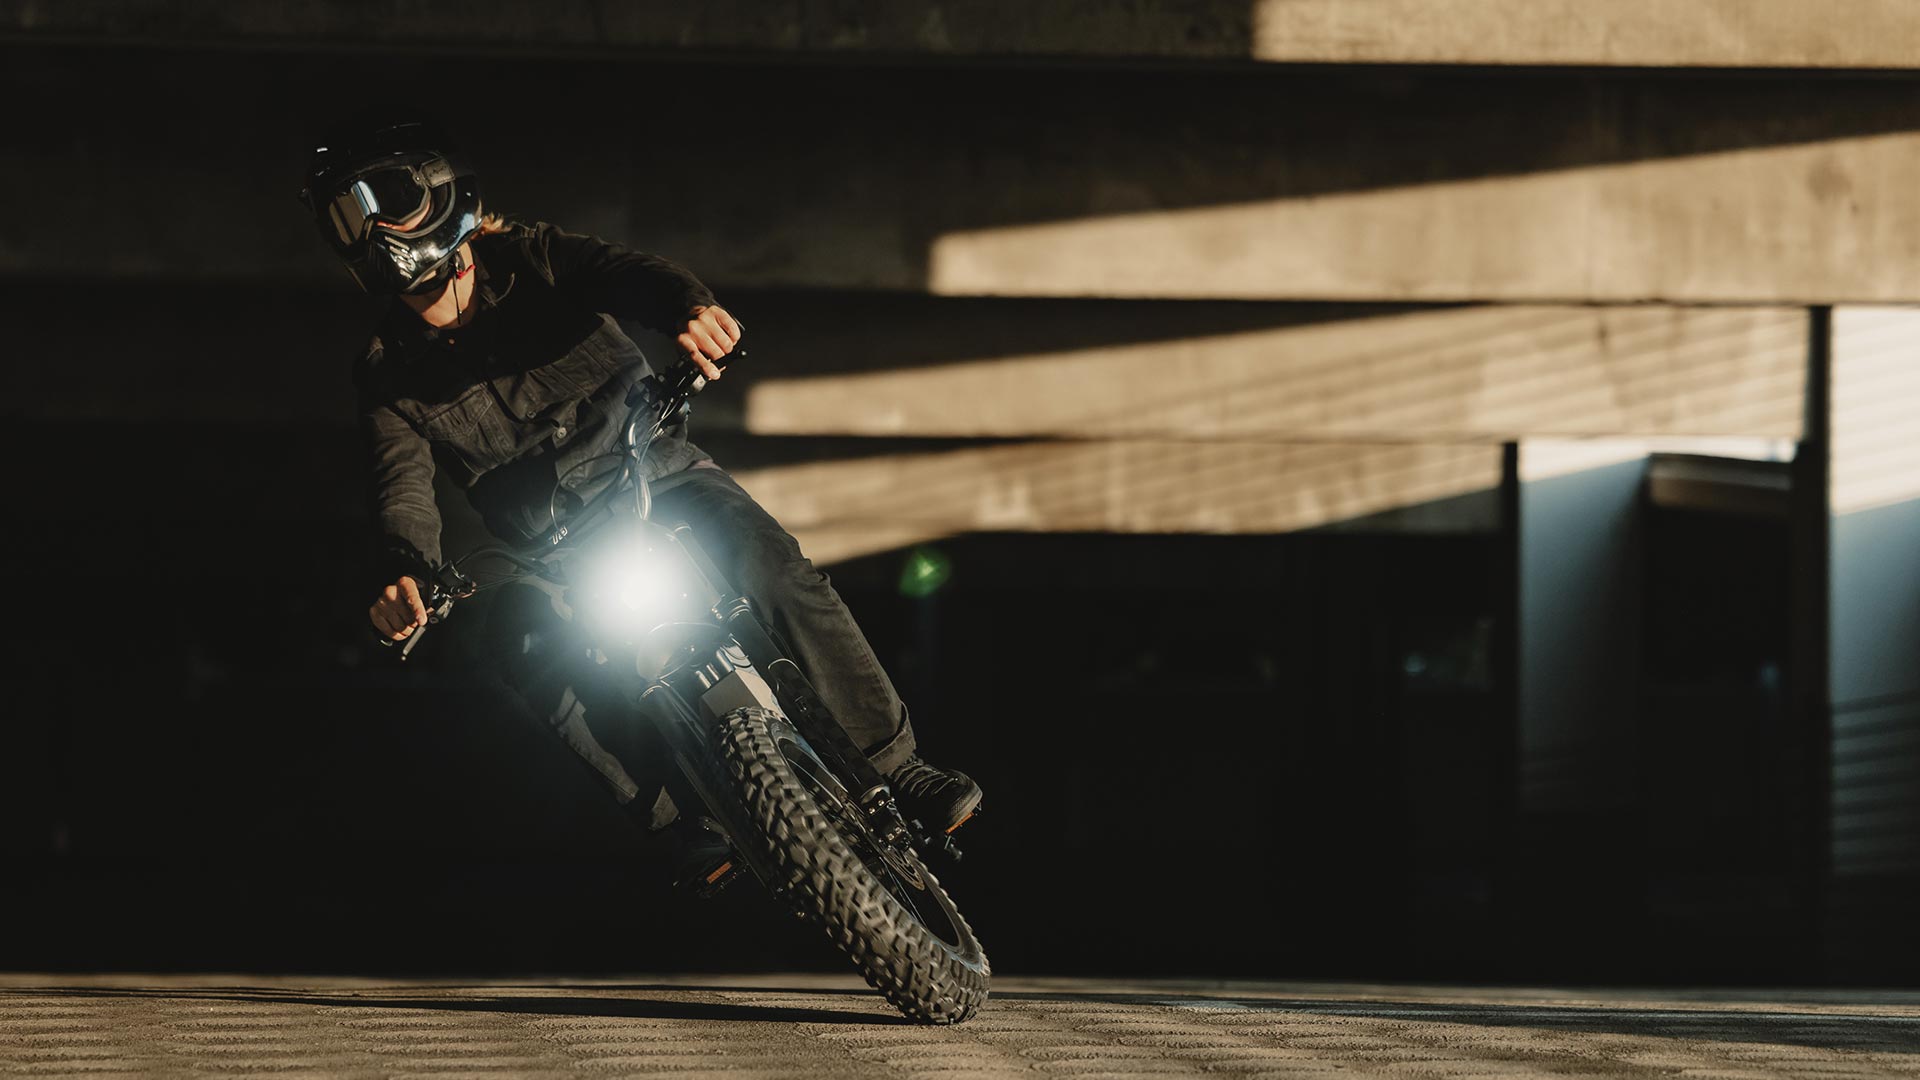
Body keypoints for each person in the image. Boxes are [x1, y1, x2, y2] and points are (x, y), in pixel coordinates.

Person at [298, 119, 980, 885]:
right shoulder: (385, 373)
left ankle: (901, 767)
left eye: (388, 199)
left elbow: (625, 273)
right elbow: (401, 483)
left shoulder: (529, 255)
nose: (377, 226)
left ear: (440, 194)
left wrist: (688, 309)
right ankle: (682, 820)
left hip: (651, 469)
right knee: (520, 647)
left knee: (772, 561)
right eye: (351, 215)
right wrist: (406, 571)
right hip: (549, 547)